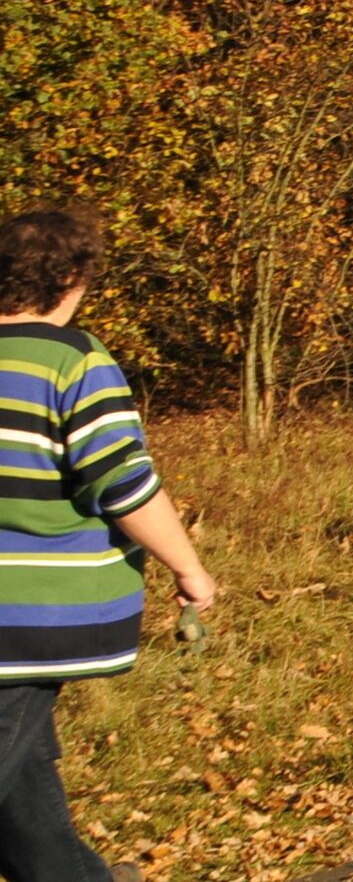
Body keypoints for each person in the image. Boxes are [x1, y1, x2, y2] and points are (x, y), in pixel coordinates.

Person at [0, 204, 218, 882]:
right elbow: (123, 485)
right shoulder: (74, 362)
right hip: (36, 617)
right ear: (70, 278)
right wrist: (189, 568)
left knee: (24, 789)